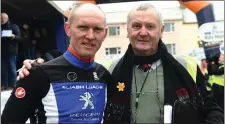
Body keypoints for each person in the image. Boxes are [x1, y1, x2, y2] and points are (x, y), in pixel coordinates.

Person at [16, 3, 224, 124]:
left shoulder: (186, 65)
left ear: (161, 31)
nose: (143, 32)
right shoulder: (109, 68)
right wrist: (36, 67)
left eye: (150, 26)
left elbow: (213, 110)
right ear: (127, 30)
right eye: (136, 26)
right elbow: (72, 70)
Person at [2, 4, 111, 124]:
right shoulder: (37, 75)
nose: (90, 36)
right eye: (83, 27)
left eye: (97, 29)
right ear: (68, 29)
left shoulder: (105, 76)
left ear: (105, 34)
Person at [1, 13, 22, 90]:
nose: (1, 20)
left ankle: (14, 83)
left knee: (12, 68)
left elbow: (20, 38)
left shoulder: (14, 26)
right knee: (3, 69)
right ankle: (4, 84)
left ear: (7, 18)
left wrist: (14, 36)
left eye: (2, 18)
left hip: (11, 52)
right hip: (2, 52)